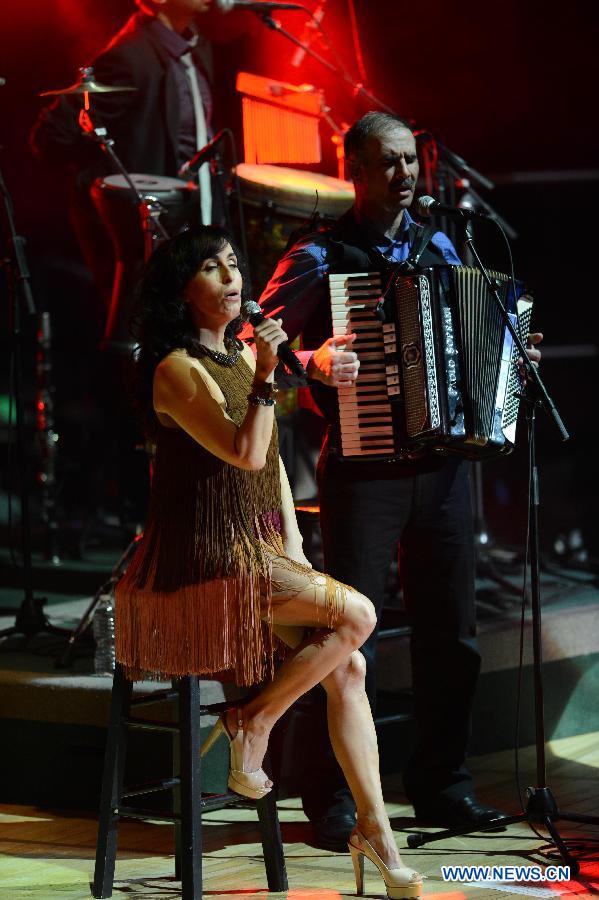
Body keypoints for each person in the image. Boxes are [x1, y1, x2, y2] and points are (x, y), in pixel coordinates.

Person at [259, 111, 543, 850]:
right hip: (364, 469)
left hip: (443, 469)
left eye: (409, 162)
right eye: (387, 162)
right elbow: (249, 337)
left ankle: (443, 788)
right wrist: (312, 361)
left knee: (451, 635)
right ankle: (328, 800)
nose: (404, 175)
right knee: (343, 638)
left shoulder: (443, 241)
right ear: (351, 167)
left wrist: (511, 366)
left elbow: (473, 340)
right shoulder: (321, 255)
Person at [114, 224, 423, 898]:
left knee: (350, 663)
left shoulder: (237, 357)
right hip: (197, 561)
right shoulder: (177, 369)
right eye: (210, 268)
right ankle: (250, 721)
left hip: (253, 551)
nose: (231, 277)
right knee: (359, 616)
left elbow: (272, 464)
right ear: (180, 290)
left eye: (233, 265)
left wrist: (294, 549)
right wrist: (263, 377)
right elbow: (244, 452)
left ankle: (374, 832)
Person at [30, 0, 216, 306]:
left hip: (189, 223)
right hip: (147, 232)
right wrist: (109, 193)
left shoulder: (195, 48)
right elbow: (50, 136)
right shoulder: (129, 57)